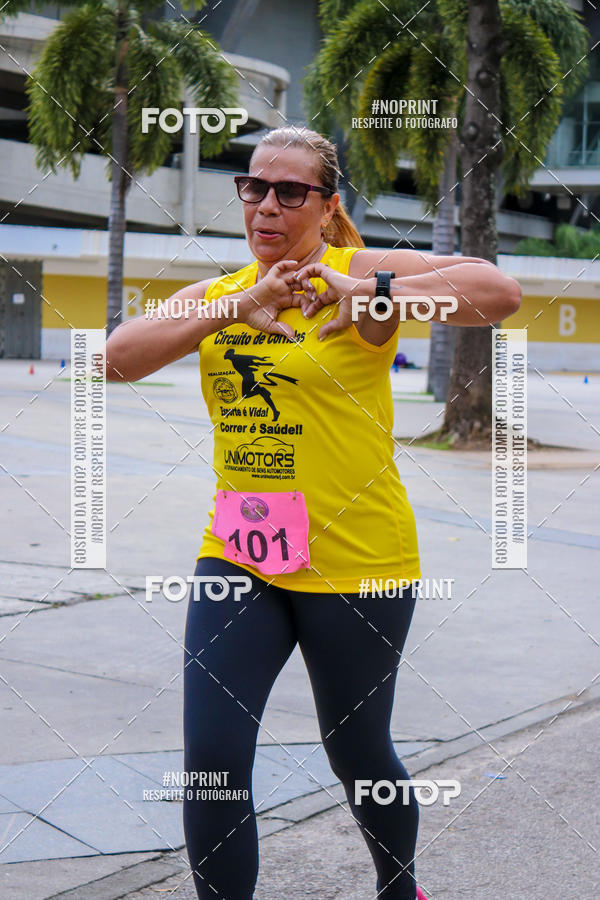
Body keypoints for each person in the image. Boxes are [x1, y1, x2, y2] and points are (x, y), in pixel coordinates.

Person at [105, 126, 521, 899]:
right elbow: (116, 357)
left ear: (327, 208)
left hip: (358, 562)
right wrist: (241, 304)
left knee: (358, 750)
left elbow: (499, 293)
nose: (266, 204)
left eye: (289, 191)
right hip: (239, 556)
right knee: (213, 760)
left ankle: (399, 888)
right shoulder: (223, 292)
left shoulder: (359, 273)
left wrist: (367, 292)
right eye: (254, 187)